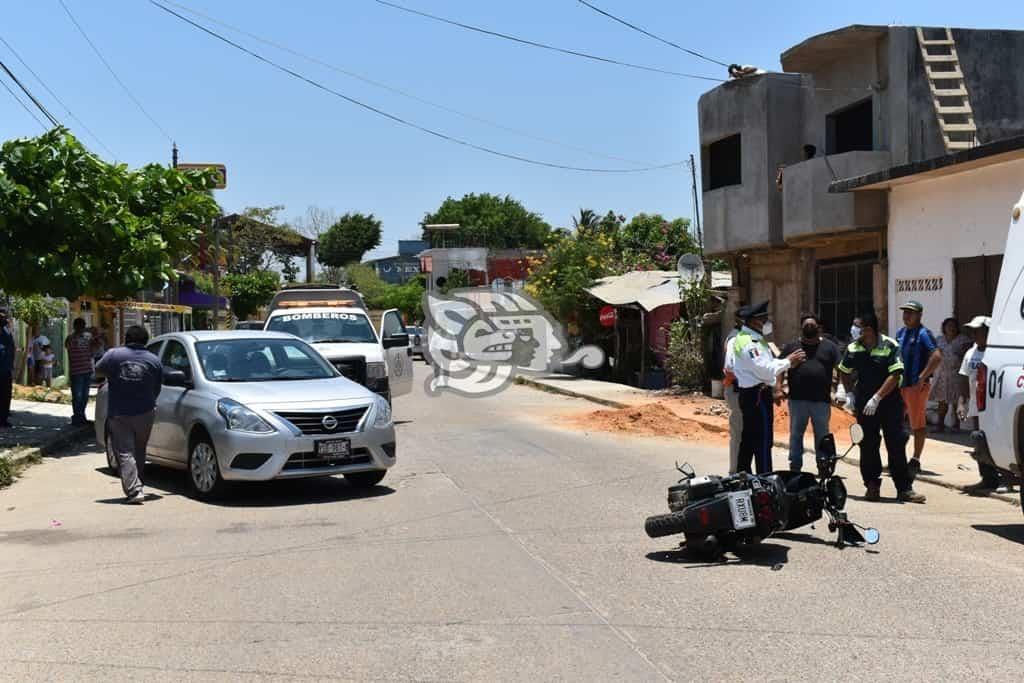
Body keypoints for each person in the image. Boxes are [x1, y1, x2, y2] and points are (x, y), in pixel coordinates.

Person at [838, 311, 926, 503]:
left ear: (868, 329)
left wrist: (877, 397)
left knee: (895, 443)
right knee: (868, 444)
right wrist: (850, 393)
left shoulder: (890, 345)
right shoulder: (854, 347)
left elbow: (895, 375)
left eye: (857, 325)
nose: (854, 329)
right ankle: (871, 486)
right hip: (864, 404)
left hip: (889, 403)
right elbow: (844, 370)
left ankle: (904, 489)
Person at [731, 301, 806, 474]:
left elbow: (769, 363)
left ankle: (743, 477)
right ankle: (765, 479)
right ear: (754, 321)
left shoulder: (756, 339)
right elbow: (765, 370)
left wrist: (784, 363)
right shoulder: (748, 341)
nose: (767, 323)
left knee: (749, 440)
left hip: (754, 394)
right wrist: (788, 362)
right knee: (762, 442)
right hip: (757, 395)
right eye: (764, 319)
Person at [94, 325, 163, 504]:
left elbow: (98, 370)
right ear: (145, 340)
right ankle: (138, 484)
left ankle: (134, 490)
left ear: (126, 338)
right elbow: (157, 387)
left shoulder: (113, 355)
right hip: (146, 412)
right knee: (139, 450)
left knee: (125, 452)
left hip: (119, 413)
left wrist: (113, 373)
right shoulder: (154, 360)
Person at [781, 313, 841, 471]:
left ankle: (823, 465)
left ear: (818, 328)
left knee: (822, 435)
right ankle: (795, 466)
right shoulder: (792, 347)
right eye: (806, 326)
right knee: (796, 434)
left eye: (812, 326)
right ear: (801, 328)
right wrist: (778, 388)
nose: (809, 328)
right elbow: (780, 367)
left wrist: (841, 389)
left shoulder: (830, 347)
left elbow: (841, 368)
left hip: (821, 401)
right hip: (797, 400)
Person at [956, 316, 1006, 493]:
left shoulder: (998, 352)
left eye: (978, 331)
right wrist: (962, 403)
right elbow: (963, 377)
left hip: (996, 408)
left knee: (998, 442)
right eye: (973, 331)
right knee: (980, 441)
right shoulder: (971, 352)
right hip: (977, 406)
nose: (974, 334)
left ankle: (1005, 479)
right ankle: (987, 479)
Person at [895, 300, 942, 480]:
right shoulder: (900, 333)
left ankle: (915, 459)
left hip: (915, 388)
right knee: (896, 423)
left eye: (911, 312)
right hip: (900, 386)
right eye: (905, 312)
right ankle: (898, 457)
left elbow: (937, 356)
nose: (906, 315)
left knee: (918, 424)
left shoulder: (924, 334)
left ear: (919, 315)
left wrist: (922, 377)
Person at [932, 317, 972, 433]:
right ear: (944, 327)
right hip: (942, 375)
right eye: (948, 326)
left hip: (957, 374)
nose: (951, 328)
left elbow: (968, 355)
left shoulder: (963, 340)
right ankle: (940, 425)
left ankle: (956, 426)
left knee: (956, 401)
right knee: (942, 401)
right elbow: (933, 353)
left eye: (953, 326)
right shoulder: (939, 339)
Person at [65, 318, 97, 426]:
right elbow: (68, 348)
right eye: (79, 326)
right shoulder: (70, 338)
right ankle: (77, 417)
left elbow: (95, 348)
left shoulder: (88, 338)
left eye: (82, 326)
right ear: (75, 327)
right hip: (76, 371)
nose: (80, 328)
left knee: (84, 396)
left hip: (86, 370)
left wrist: (95, 335)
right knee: (77, 396)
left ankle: (81, 416)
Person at [722, 315, 743, 473]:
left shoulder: (742, 338)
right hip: (737, 391)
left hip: (742, 390)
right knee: (738, 433)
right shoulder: (735, 339)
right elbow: (729, 368)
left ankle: (741, 470)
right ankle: (735, 472)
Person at [0, 309, 15, 429]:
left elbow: (11, 349)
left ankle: (3, 419)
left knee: (6, 395)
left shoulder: (6, 332)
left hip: (6, 369)